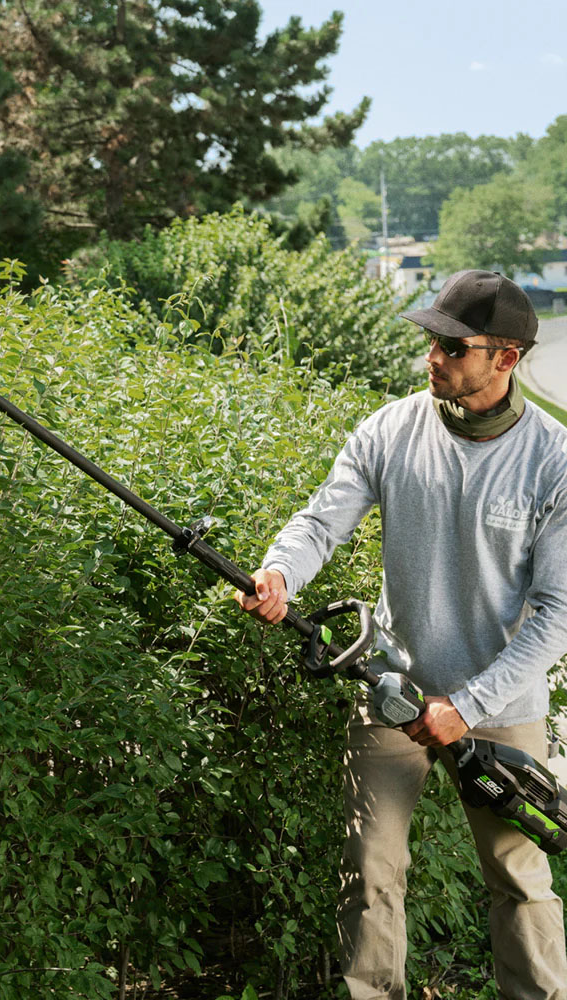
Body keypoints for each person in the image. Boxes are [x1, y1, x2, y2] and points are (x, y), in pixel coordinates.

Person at [236, 270, 567, 999]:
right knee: (370, 872)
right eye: (430, 339)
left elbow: (557, 614)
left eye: (453, 345)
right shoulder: (390, 429)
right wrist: (281, 573)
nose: (433, 356)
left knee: (518, 879)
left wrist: (469, 706)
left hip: (500, 709)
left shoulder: (554, 460)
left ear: (505, 358)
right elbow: (322, 521)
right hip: (389, 686)